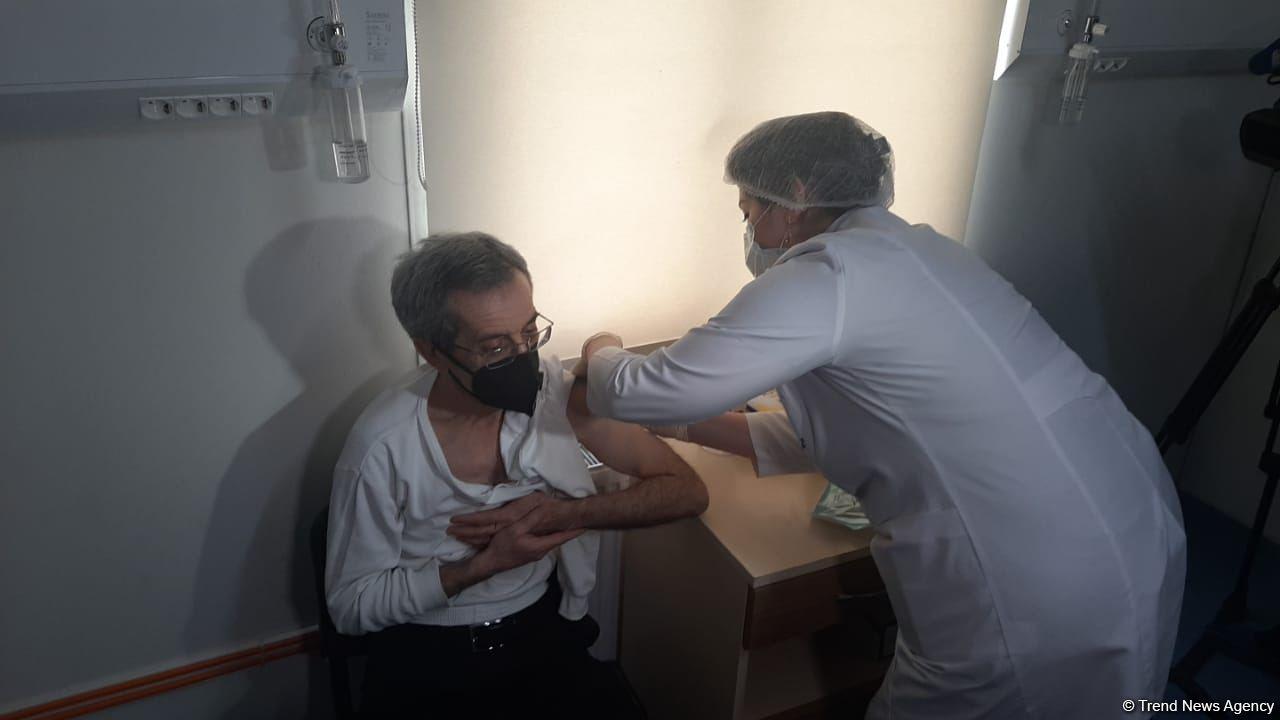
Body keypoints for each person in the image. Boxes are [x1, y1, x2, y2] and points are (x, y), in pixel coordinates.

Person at [573, 112, 1186, 719]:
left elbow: (646, 389)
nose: (750, 232)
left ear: (795, 197)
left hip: (1025, 575)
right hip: (1128, 509)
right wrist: (685, 428)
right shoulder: (923, 251)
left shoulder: (828, 273)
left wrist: (601, 348)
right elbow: (862, 426)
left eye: (749, 212)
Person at [325, 231, 707, 719]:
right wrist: (483, 565)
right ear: (432, 352)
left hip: (542, 631)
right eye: (495, 347)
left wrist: (564, 515)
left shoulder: (553, 397)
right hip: (429, 653)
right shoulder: (382, 446)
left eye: (529, 333)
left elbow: (686, 491)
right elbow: (351, 606)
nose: (524, 357)